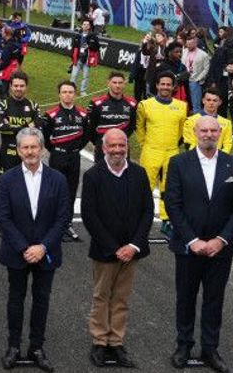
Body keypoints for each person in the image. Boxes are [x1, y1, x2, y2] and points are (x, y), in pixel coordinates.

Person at [163, 115, 233, 373]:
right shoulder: (179, 162)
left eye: (214, 130)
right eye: (205, 130)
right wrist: (193, 240)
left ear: (220, 133)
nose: (209, 134)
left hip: (220, 249)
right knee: (186, 299)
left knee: (214, 300)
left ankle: (210, 348)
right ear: (195, 132)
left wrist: (221, 240)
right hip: (189, 248)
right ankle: (184, 345)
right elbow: (173, 204)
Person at [0, 127, 71, 373]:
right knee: (15, 300)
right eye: (25, 147)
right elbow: (3, 218)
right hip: (17, 252)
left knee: (42, 300)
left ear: (42, 149)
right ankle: (13, 346)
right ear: (18, 151)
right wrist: (24, 247)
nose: (30, 151)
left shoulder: (58, 179)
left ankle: (37, 347)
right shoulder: (7, 179)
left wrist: (42, 247)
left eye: (34, 147)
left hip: (46, 252)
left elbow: (62, 218)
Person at [80, 129, 153, 368]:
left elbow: (147, 212)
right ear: (103, 148)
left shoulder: (140, 174)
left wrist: (133, 245)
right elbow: (90, 216)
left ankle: (116, 340)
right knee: (102, 296)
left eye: (122, 145)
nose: (118, 150)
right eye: (112, 146)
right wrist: (114, 248)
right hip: (105, 251)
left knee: (121, 298)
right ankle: (100, 341)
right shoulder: (93, 176)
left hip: (132, 250)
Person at [135, 71, 188, 237]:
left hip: (172, 151)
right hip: (151, 149)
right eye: (162, 84)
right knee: (145, 187)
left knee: (170, 188)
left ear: (173, 87)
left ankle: (167, 220)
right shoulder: (145, 105)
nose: (165, 87)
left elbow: (182, 129)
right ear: (156, 85)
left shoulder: (181, 106)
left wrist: (174, 145)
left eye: (168, 84)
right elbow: (140, 127)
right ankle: (141, 219)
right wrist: (145, 144)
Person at [41, 80, 88, 242]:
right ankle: (54, 224)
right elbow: (45, 138)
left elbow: (86, 136)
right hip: (57, 157)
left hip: (74, 156)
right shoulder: (51, 115)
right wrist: (55, 150)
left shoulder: (82, 114)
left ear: (74, 94)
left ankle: (67, 223)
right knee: (55, 191)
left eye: (70, 92)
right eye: (64, 92)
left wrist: (75, 149)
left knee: (71, 191)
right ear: (59, 94)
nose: (67, 95)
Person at [0, 71, 41, 173]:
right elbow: (2, 127)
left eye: (22, 86)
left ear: (26, 87)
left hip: (28, 155)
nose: (18, 89)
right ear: (10, 86)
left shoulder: (33, 106)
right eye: (16, 86)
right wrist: (28, 126)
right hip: (8, 153)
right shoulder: (2, 105)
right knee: (6, 186)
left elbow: (38, 129)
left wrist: (11, 126)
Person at [87, 72, 138, 166]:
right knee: (101, 177)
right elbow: (90, 127)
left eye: (120, 83)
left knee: (123, 177)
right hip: (103, 148)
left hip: (123, 148)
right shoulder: (97, 103)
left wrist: (121, 139)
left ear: (124, 84)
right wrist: (99, 142)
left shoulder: (132, 104)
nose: (117, 85)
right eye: (114, 82)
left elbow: (132, 126)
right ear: (108, 83)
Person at [183, 88, 233, 153]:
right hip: (196, 158)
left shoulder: (227, 123)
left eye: (215, 100)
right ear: (203, 100)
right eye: (208, 100)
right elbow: (189, 143)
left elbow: (227, 145)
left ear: (220, 102)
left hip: (218, 159)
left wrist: (218, 158)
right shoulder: (190, 121)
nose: (211, 103)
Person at [69, 20, 101, 95]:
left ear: (89, 26)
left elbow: (97, 47)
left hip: (87, 60)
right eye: (84, 24)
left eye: (87, 24)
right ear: (82, 26)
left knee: (85, 76)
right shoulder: (77, 36)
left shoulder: (93, 36)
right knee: (73, 76)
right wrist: (72, 58)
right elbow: (73, 48)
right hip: (78, 59)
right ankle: (71, 90)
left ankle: (83, 91)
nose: (85, 26)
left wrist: (89, 46)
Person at [182, 36, 211, 108]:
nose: (188, 46)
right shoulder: (183, 51)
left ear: (195, 43)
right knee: (184, 102)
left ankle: (197, 116)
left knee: (196, 103)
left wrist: (198, 79)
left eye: (190, 44)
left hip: (194, 81)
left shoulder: (203, 54)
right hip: (183, 80)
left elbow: (206, 69)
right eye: (187, 44)